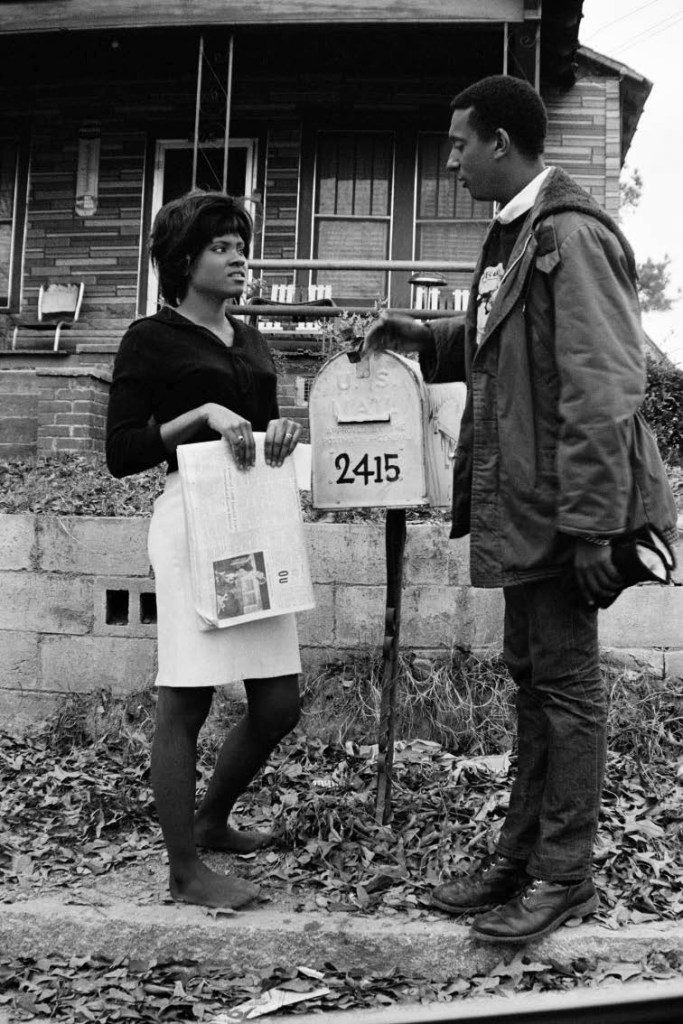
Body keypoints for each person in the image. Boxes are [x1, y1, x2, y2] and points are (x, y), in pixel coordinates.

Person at [363, 75, 677, 943]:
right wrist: (420, 339)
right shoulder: (512, 236)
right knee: (533, 687)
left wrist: (591, 528)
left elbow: (604, 386)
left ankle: (563, 872)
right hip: (523, 509)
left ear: (502, 142)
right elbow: (500, 341)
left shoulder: (570, 236)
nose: (452, 157)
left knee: (567, 694)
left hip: (563, 516)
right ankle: (519, 858)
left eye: (461, 142)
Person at [106, 190, 304, 910]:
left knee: (278, 701)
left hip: (254, 519)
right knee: (185, 698)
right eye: (223, 246)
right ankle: (185, 871)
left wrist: (277, 433)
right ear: (185, 260)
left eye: (241, 245)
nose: (240, 258)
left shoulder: (250, 339)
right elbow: (121, 452)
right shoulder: (149, 338)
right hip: (191, 522)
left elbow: (261, 433)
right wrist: (196, 414)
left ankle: (213, 819)